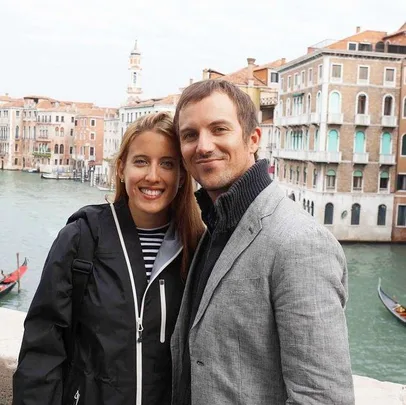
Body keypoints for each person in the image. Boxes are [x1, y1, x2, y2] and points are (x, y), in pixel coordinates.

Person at [171, 80, 355, 405]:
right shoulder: (214, 226)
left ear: (253, 139)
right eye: (190, 135)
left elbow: (322, 398)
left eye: (219, 129)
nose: (203, 145)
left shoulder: (300, 243)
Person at [13, 112, 204, 405]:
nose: (153, 176)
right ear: (120, 169)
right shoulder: (80, 239)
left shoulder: (197, 247)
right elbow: (42, 350)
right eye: (141, 161)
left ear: (181, 176)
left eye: (167, 164)